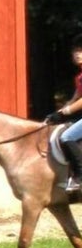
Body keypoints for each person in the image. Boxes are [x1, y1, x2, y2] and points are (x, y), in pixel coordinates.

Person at [45, 34, 82, 192]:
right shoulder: (79, 77)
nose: (77, 54)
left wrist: (66, 111)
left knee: (66, 137)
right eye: (75, 52)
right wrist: (57, 113)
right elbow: (75, 98)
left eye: (80, 51)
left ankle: (79, 177)